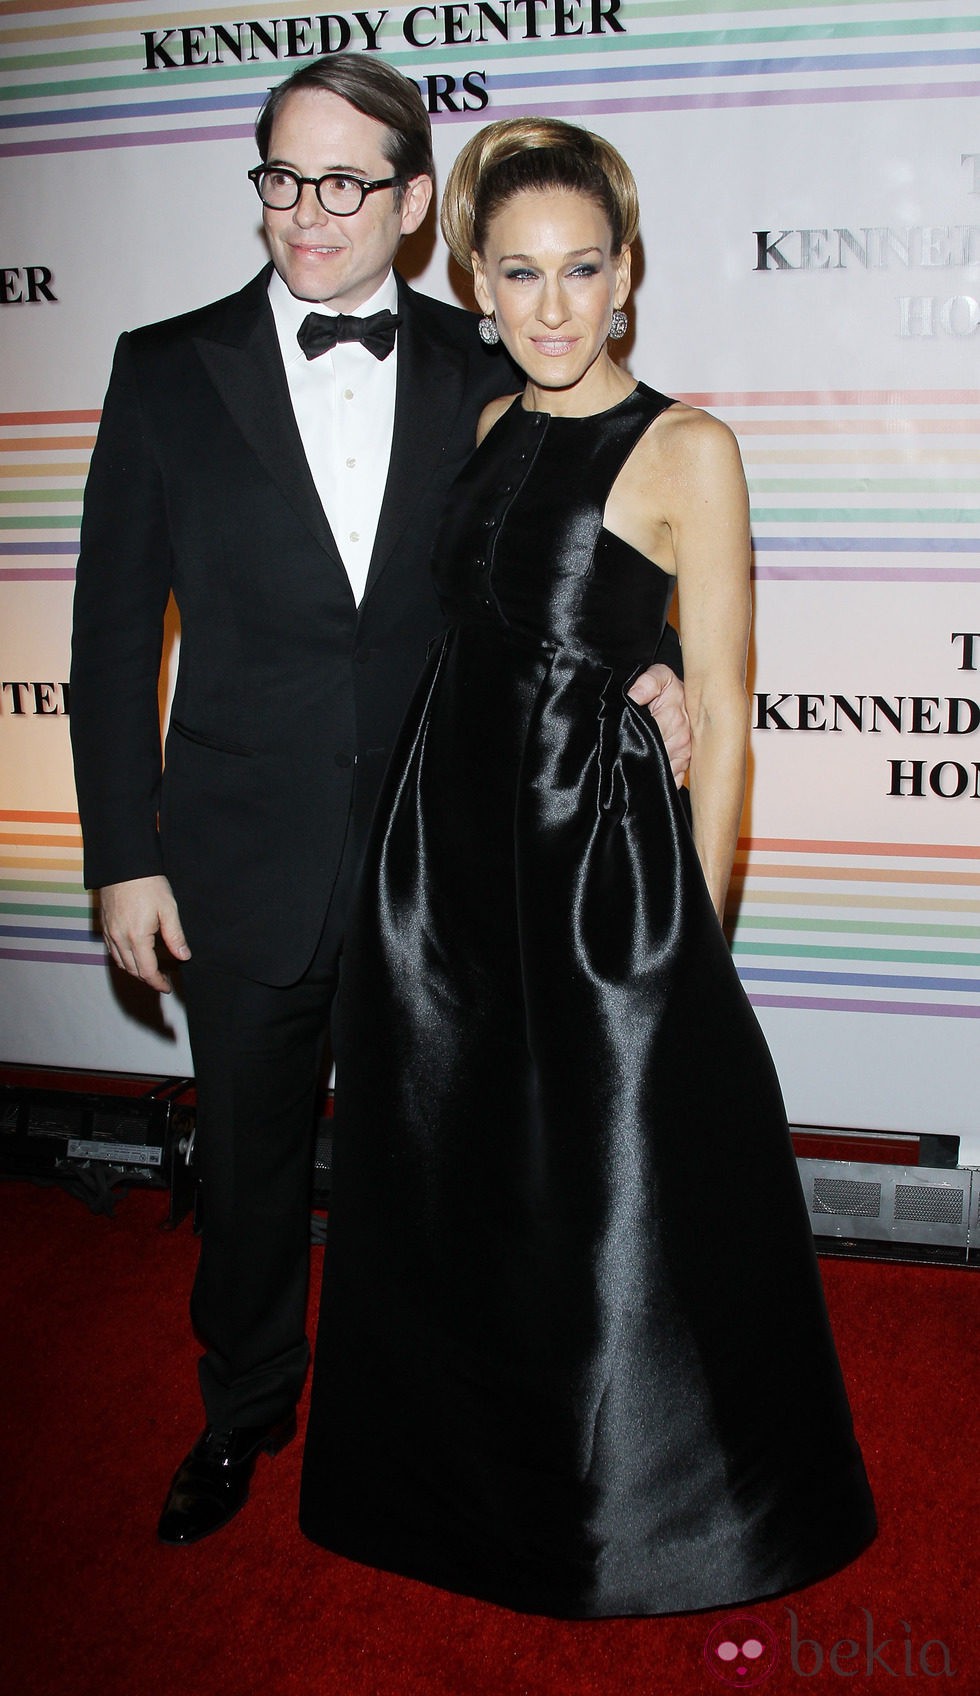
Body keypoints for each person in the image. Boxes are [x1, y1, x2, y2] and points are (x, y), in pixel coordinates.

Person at [69, 59, 688, 1548]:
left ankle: (445, 1412)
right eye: (284, 177)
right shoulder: (163, 368)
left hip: (447, 849)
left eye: (347, 182)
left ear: (416, 204)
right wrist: (122, 855)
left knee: (452, 1168)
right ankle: (244, 1407)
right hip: (238, 855)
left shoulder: (492, 362)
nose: (309, 211)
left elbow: (571, 543)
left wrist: (650, 655)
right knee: (250, 1166)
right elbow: (109, 632)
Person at [299, 117, 877, 1617]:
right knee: (467, 1177)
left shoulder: (690, 447)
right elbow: (500, 624)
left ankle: (644, 1520)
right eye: (518, 272)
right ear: (477, 283)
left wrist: (699, 936)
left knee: (616, 1195)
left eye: (580, 270)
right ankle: (459, 1490)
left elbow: (727, 713)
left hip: (593, 876)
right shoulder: (493, 423)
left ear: (626, 277)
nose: (550, 305)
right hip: (446, 866)